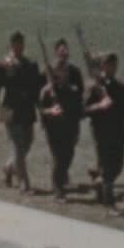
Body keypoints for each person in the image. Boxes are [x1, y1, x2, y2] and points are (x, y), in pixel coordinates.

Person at [0, 32, 43, 194]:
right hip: (8, 109)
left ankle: (9, 167)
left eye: (21, 43)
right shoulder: (2, 66)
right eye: (16, 43)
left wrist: (42, 111)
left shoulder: (31, 65)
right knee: (18, 146)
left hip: (26, 109)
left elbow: (36, 90)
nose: (19, 46)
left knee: (28, 142)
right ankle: (24, 183)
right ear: (11, 45)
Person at [84, 53, 124, 215]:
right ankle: (109, 204)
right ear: (102, 66)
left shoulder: (122, 88)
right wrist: (99, 106)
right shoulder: (95, 88)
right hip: (102, 134)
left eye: (114, 64)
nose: (112, 67)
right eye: (108, 64)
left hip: (118, 134)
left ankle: (99, 182)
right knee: (108, 170)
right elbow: (84, 110)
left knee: (118, 167)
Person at [38, 38, 84, 201]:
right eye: (60, 71)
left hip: (70, 125)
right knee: (59, 156)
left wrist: (78, 125)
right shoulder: (48, 90)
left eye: (65, 71)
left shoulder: (73, 82)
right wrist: (51, 111)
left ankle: (61, 178)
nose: (63, 73)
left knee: (69, 155)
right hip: (53, 127)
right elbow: (41, 108)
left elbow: (79, 103)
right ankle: (57, 189)